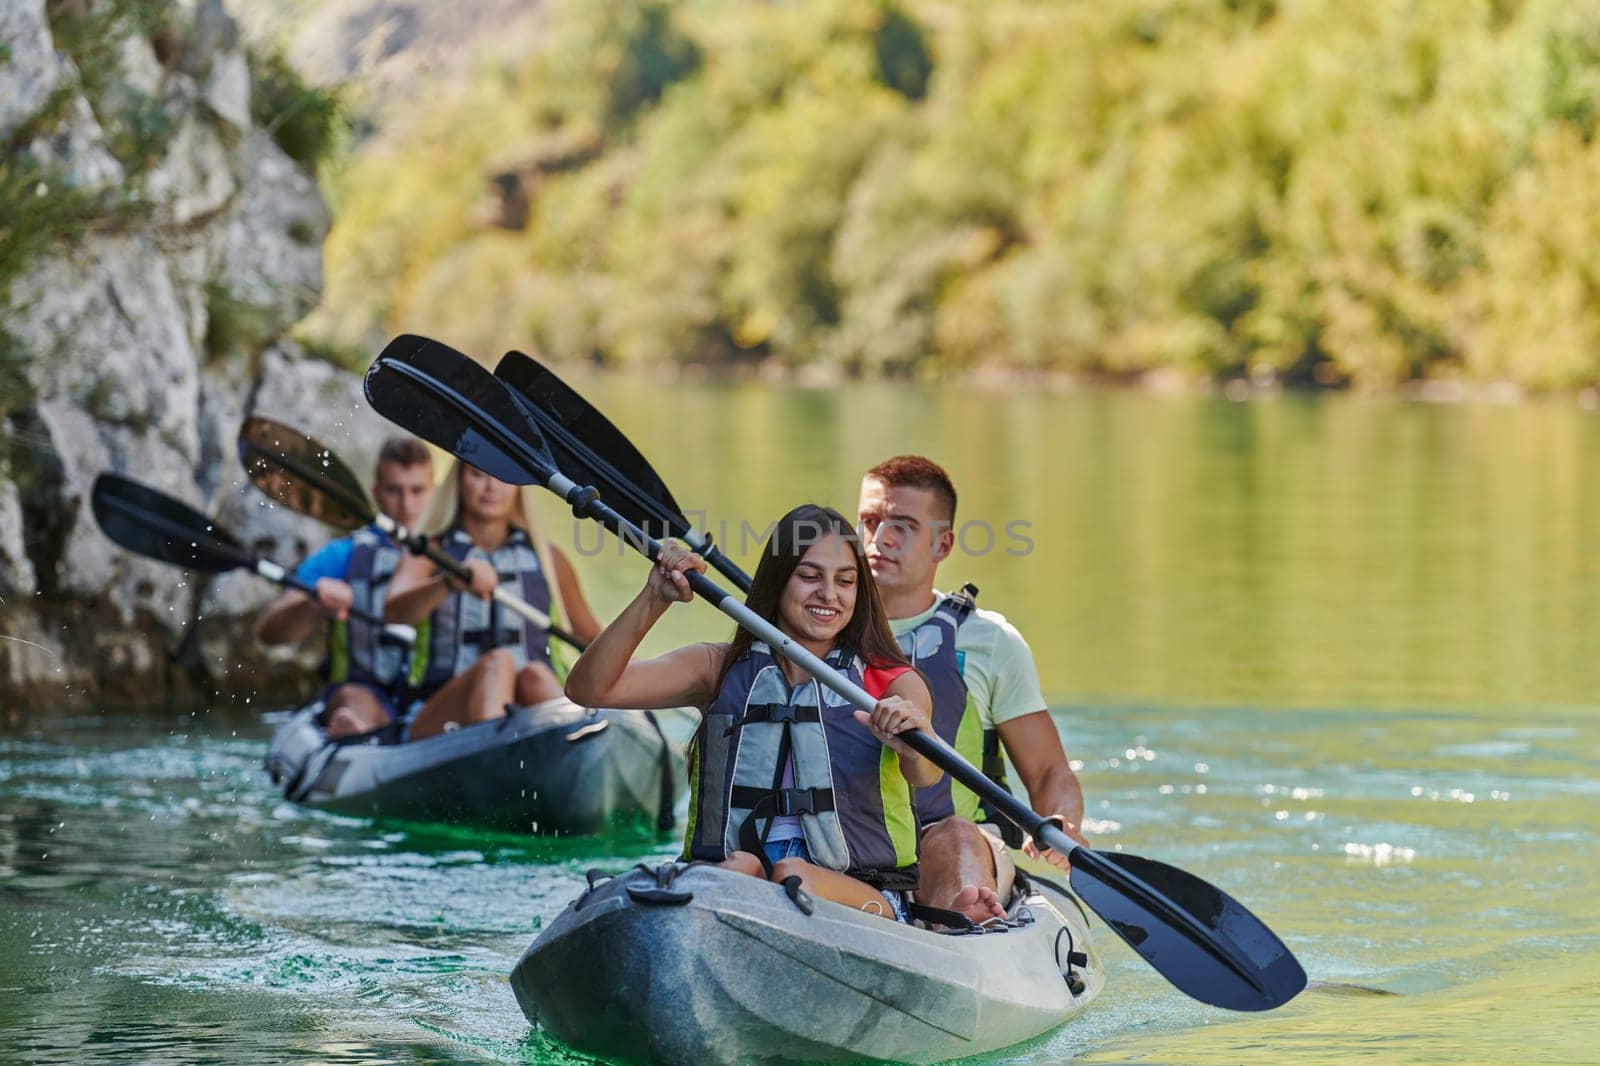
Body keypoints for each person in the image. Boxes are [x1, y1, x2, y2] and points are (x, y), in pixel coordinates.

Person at [564, 504, 941, 920]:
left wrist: (911, 744)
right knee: (744, 866)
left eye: (845, 581)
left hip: (861, 893)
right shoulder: (717, 669)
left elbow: (927, 773)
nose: (829, 595)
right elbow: (589, 688)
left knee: (792, 873)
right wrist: (655, 597)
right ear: (779, 582)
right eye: (809, 576)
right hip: (731, 880)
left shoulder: (891, 682)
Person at [857, 455, 1088, 924]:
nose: (881, 538)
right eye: (870, 521)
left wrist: (1060, 823)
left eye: (903, 525)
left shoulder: (991, 642)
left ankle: (968, 911)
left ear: (942, 545)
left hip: (948, 839)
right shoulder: (813, 626)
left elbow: (1047, 772)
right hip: (846, 838)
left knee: (957, 837)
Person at [385, 461, 601, 739]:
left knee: (535, 674)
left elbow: (592, 638)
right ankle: (495, 759)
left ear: (519, 488)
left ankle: (579, 738)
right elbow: (393, 612)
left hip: (531, 699)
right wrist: (448, 583)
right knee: (497, 663)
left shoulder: (548, 559)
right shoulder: (430, 552)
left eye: (502, 477)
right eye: (478, 474)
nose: (491, 487)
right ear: (459, 481)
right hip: (438, 712)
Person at [256, 436, 436, 738]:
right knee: (352, 700)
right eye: (394, 491)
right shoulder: (343, 555)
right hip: (363, 690)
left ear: (435, 493)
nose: (407, 504)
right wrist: (313, 602)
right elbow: (270, 634)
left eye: (417, 491)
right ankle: (354, 732)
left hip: (434, 694)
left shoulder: (458, 556)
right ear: (376, 494)